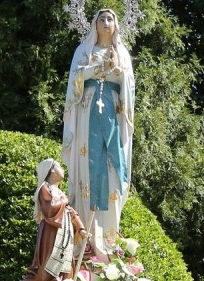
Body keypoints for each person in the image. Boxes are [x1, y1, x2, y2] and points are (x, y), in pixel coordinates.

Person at [62, 8, 135, 256]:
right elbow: (75, 79)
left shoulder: (122, 52)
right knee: (88, 165)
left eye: (110, 19)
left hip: (113, 112)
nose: (106, 22)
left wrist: (118, 72)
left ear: (116, 25)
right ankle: (86, 234)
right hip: (88, 112)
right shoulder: (84, 50)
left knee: (112, 170)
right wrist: (96, 68)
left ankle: (109, 237)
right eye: (101, 19)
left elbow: (129, 86)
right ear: (94, 24)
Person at [11, 159, 86, 281]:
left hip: (65, 234)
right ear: (51, 170)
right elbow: (49, 209)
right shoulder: (45, 189)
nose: (62, 169)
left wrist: (81, 228)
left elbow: (71, 212)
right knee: (45, 270)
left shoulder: (60, 193)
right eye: (59, 166)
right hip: (51, 233)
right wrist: (64, 200)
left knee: (65, 266)